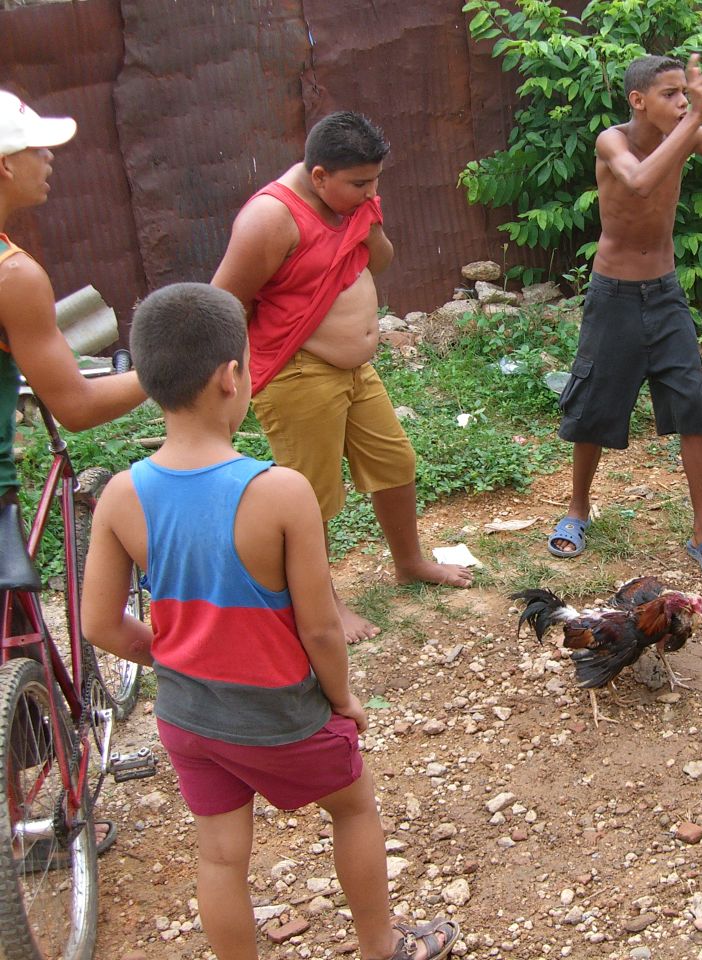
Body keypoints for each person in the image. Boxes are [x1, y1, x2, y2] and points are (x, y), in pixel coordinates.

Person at [80, 283, 461, 960]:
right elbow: (319, 628)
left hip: (190, 720)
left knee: (222, 859)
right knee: (353, 807)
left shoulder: (121, 494)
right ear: (232, 378)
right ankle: (382, 946)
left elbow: (100, 628)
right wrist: (342, 700)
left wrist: (172, 658)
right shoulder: (278, 490)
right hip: (283, 716)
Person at [212, 111, 471, 644]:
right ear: (320, 174)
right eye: (359, 184)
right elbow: (223, 303)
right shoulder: (270, 219)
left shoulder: (351, 202)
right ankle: (322, 602)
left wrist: (367, 216)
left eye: (375, 181)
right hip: (297, 371)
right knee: (311, 495)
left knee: (395, 462)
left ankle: (410, 562)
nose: (370, 191)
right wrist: (228, 382)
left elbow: (381, 261)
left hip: (356, 370)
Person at [549, 51, 702, 579]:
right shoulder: (611, 141)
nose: (683, 102)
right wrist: (692, 123)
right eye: (670, 94)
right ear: (638, 101)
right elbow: (639, 181)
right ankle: (577, 510)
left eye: (684, 94)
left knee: (691, 404)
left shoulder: (686, 134)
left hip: (664, 294)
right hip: (613, 293)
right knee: (594, 403)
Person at [0, 89, 148, 860]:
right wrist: (160, 372)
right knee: (18, 642)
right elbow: (78, 405)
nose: (49, 158)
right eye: (36, 147)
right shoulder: (13, 272)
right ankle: (53, 807)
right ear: (2, 166)